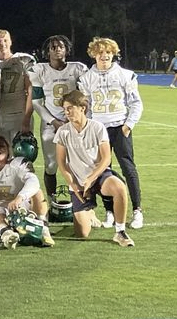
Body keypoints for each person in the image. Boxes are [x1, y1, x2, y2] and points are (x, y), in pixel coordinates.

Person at [77, 37, 144, 230]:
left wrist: (128, 125)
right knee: (103, 172)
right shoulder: (87, 78)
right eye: (100, 52)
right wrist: (88, 127)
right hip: (99, 130)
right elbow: (86, 108)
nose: (104, 56)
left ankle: (137, 210)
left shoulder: (125, 75)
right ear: (94, 54)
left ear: (113, 53)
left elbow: (136, 103)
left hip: (119, 127)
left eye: (107, 52)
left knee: (128, 169)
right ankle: (110, 212)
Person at [54, 91, 135, 247]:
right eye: (65, 109)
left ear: (82, 108)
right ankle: (89, 211)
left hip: (98, 176)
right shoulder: (63, 132)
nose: (67, 112)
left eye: (70, 108)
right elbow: (62, 163)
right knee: (82, 233)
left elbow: (106, 159)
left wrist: (91, 178)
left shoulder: (97, 128)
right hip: (78, 181)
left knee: (119, 188)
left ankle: (120, 232)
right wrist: (73, 185)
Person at [27, 35, 88, 196]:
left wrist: (75, 120)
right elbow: (37, 102)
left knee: (78, 163)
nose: (57, 49)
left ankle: (81, 201)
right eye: (53, 47)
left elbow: (85, 97)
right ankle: (52, 199)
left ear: (67, 49)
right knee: (51, 164)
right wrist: (54, 121)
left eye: (61, 46)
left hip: (74, 123)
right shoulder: (39, 71)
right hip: (50, 123)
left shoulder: (78, 69)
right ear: (47, 51)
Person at [0, 136, 54, 248]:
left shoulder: (18, 164)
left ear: (9, 150)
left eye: (1, 145)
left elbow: (33, 181)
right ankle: (7, 235)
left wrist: (19, 198)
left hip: (19, 207)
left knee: (37, 192)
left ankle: (43, 228)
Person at [0, 29, 35, 143]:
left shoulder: (23, 60)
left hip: (18, 115)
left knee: (21, 155)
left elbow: (31, 89)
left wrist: (26, 118)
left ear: (11, 41)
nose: (3, 44)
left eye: (5, 40)